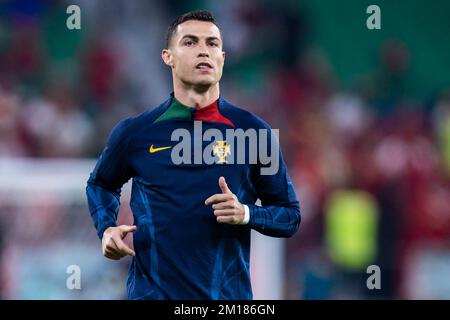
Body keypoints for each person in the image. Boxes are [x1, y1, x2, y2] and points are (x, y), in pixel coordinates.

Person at [86, 10, 301, 300]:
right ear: (167, 57)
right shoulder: (135, 133)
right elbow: (100, 184)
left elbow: (289, 215)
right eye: (190, 42)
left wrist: (246, 213)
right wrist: (107, 228)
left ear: (222, 58)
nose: (204, 50)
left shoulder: (256, 133)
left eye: (212, 43)